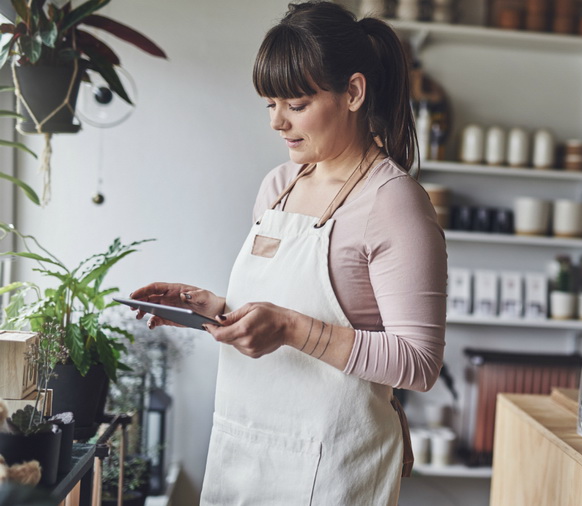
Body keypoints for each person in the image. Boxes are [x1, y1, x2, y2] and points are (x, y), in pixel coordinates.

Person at [129, 2, 447, 504]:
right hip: (243, 451)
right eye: (269, 103)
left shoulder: (392, 202)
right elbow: (272, 313)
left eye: (295, 104)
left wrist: (293, 329)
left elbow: (419, 362)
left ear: (354, 93)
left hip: (333, 469)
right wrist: (214, 310)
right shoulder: (278, 185)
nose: (278, 122)